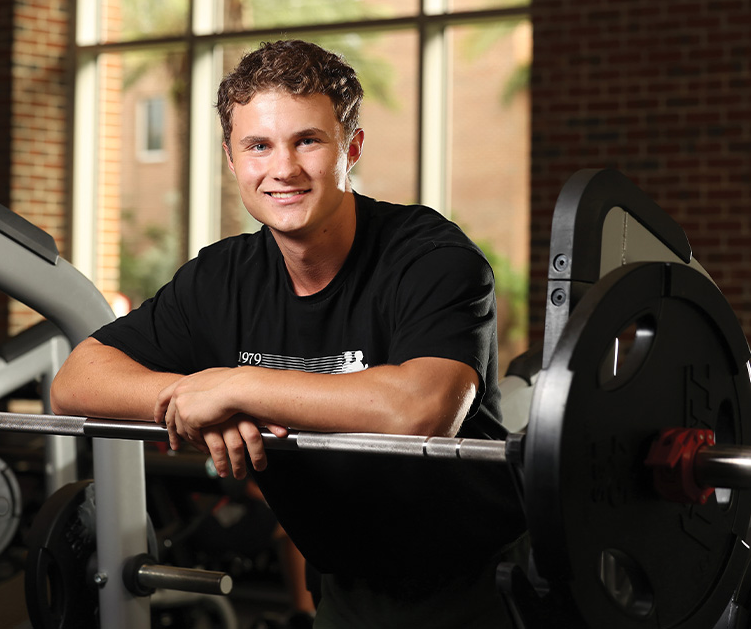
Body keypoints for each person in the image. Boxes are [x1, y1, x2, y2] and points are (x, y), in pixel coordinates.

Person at [51, 39, 527, 628]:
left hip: (487, 587)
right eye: (258, 146)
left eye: (308, 140)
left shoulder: (430, 256)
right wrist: (197, 403)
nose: (284, 169)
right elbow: (77, 378)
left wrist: (237, 384)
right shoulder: (220, 278)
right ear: (231, 159)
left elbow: (420, 409)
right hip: (345, 586)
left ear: (350, 147)